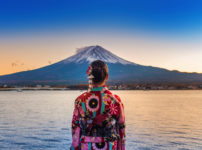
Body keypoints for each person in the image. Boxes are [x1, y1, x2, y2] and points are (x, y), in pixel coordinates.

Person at [70, 60, 126, 150]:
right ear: (107, 77)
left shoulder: (80, 100)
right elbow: (121, 128)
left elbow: (75, 128)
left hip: (86, 146)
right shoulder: (115, 100)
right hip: (110, 146)